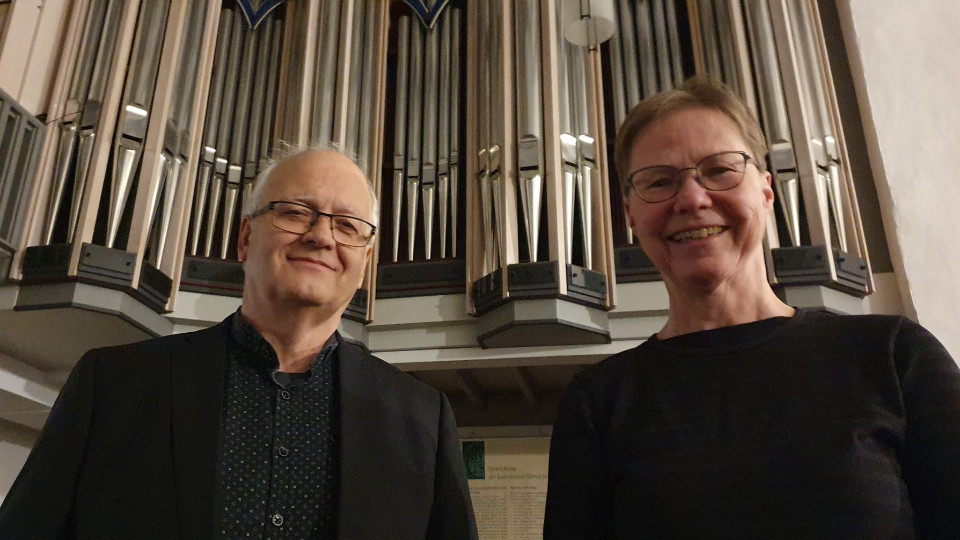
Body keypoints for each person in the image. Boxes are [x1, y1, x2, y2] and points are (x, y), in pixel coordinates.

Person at [543, 78, 960, 538]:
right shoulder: (599, 403)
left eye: (719, 170)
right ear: (631, 217)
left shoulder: (895, 357)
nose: (692, 198)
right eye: (660, 181)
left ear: (765, 192)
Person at [0, 146, 478, 539]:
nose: (321, 236)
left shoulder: (423, 419)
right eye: (295, 213)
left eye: (347, 226)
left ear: (365, 265)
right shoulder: (113, 384)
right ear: (246, 237)